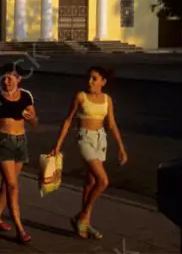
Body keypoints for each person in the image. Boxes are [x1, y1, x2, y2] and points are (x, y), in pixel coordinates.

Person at [52, 65, 128, 240]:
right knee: (103, 181)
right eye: (89, 78)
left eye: (94, 78)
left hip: (100, 139)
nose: (90, 81)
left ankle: (85, 223)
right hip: (84, 139)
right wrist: (58, 145)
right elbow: (68, 120)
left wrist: (121, 149)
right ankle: (82, 216)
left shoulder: (107, 99)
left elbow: (111, 124)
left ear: (103, 81)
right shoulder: (81, 97)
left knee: (91, 181)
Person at [0, 64, 37, 244]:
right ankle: (20, 229)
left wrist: (31, 119)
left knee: (8, 184)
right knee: (13, 185)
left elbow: (35, 121)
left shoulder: (27, 95)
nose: (6, 81)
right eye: (4, 78)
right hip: (3, 142)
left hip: (21, 142)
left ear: (18, 79)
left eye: (10, 78)